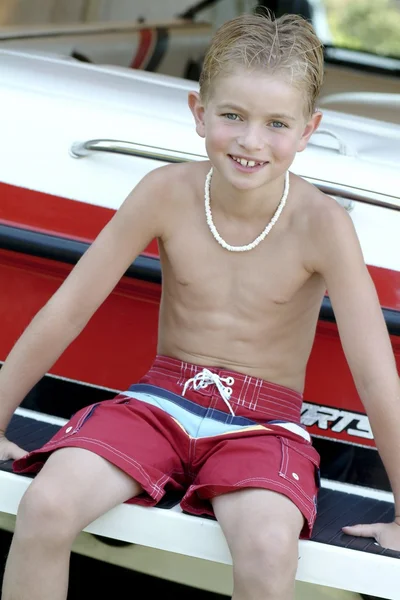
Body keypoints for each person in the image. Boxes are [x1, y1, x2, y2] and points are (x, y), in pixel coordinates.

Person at [1, 11, 400, 600]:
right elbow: (69, 308)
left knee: (268, 546)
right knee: (48, 503)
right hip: (160, 398)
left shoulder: (323, 223)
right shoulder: (166, 191)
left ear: (308, 130)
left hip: (264, 424)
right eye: (232, 116)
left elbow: (374, 372)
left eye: (277, 123)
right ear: (199, 113)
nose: (251, 141)